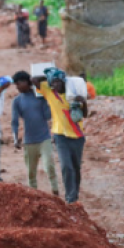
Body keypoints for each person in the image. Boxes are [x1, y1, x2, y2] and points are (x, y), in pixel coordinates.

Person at [32, 68, 88, 204]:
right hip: (60, 135)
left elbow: (84, 115)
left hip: (77, 136)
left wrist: (83, 102)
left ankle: (75, 193)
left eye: (57, 82)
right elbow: (33, 79)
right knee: (66, 166)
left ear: (64, 82)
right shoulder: (50, 93)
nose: (55, 85)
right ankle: (70, 197)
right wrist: (48, 75)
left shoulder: (73, 93)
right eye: (53, 83)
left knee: (75, 167)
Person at [10, 70, 59, 195]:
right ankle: (34, 194)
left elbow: (47, 116)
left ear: (27, 82)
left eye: (19, 83)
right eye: (16, 84)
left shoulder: (40, 97)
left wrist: (48, 100)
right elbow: (14, 121)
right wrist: (15, 137)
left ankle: (55, 190)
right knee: (31, 171)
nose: (17, 87)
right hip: (29, 140)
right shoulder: (17, 101)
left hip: (44, 138)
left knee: (49, 166)